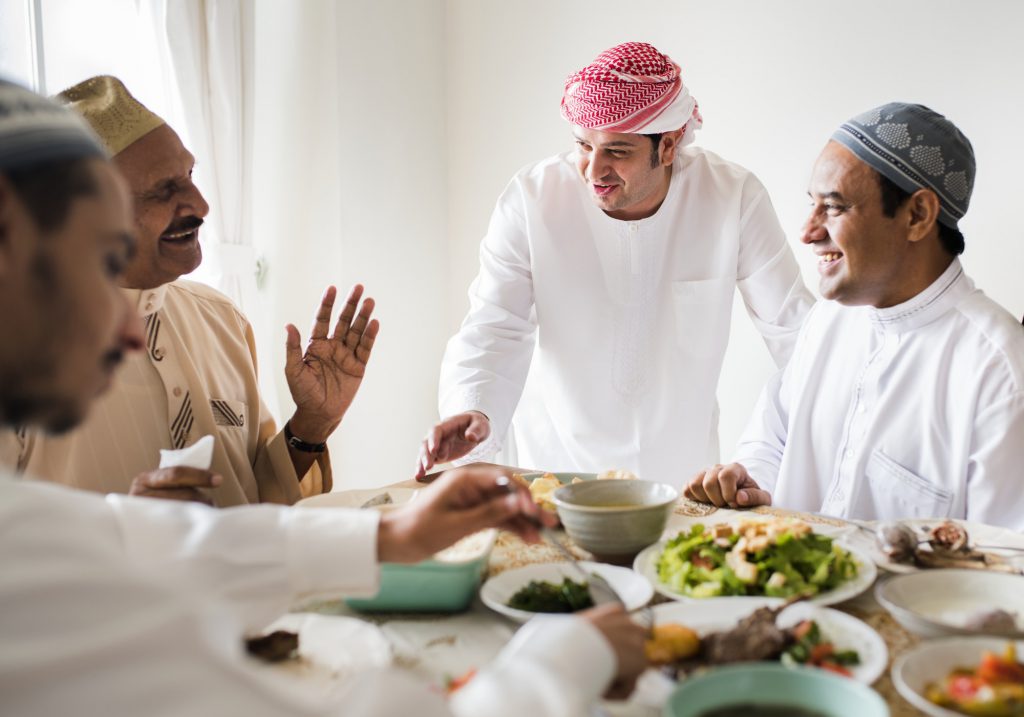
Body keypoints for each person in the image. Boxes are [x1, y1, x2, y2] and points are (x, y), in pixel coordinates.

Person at [0, 78, 647, 717]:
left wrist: (387, 528)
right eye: (94, 262)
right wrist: (561, 659)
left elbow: (138, 539)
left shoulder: (217, 320)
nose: (124, 330)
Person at [417, 42, 813, 484]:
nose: (593, 170)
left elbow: (794, 328)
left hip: (683, 480)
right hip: (557, 474)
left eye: (618, 152)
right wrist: (473, 407)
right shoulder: (533, 198)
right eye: (584, 146)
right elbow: (494, 324)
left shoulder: (733, 196)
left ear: (668, 146)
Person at [0, 75, 378, 506]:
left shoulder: (220, 319)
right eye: (164, 190)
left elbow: (255, 497)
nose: (200, 205)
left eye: (189, 175)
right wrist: (123, 529)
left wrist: (313, 424)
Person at [684, 102, 1024, 530]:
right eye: (812, 204)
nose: (808, 232)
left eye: (835, 207)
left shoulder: (1000, 371)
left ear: (917, 215)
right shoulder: (828, 319)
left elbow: (1007, 562)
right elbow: (772, 438)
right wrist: (750, 482)